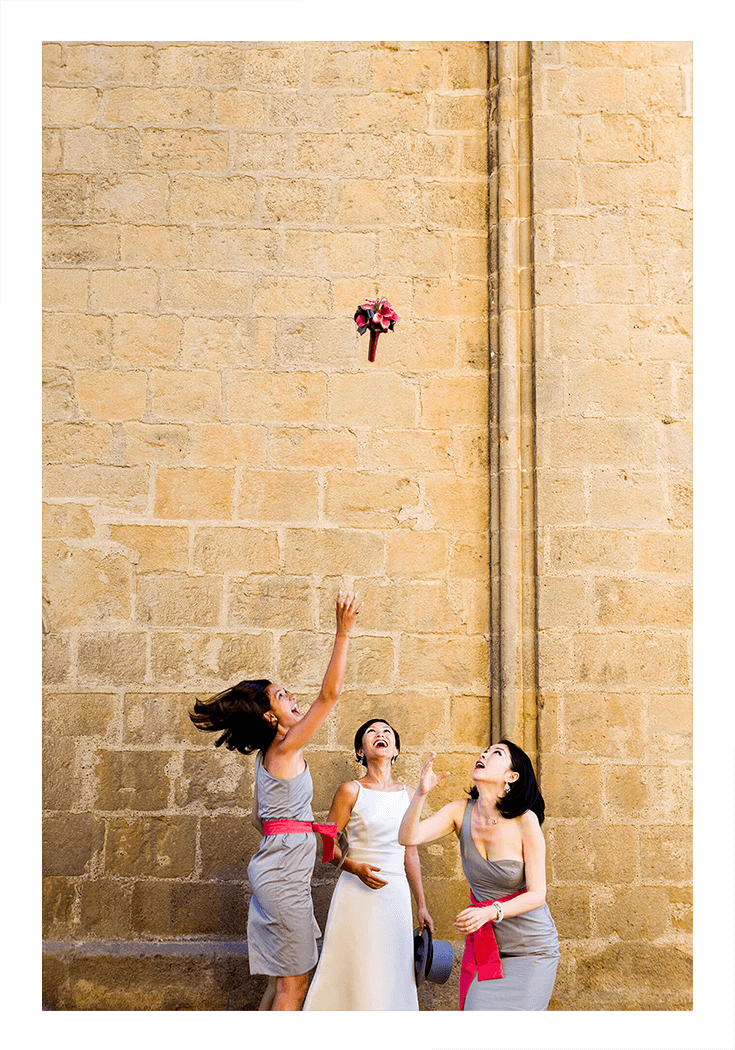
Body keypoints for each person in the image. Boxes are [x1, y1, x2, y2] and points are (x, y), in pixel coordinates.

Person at [189, 591, 363, 1012]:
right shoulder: (284, 750)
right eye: (283, 696)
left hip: (282, 878)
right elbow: (330, 696)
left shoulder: (277, 757)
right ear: (270, 717)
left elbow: (259, 821)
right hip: (283, 881)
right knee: (295, 985)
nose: (294, 699)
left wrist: (300, 835)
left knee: (280, 984)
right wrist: (343, 631)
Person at [398, 739, 559, 1010]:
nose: (484, 754)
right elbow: (407, 837)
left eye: (496, 753)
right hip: (489, 954)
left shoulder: (525, 820)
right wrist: (420, 794)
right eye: (485, 751)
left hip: (533, 951)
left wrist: (488, 912)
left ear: (511, 776)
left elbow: (537, 895)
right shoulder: (460, 811)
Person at [302, 718, 433, 1011]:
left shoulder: (410, 794)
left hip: (395, 894)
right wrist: (354, 868)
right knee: (354, 968)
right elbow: (325, 845)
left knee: (392, 971)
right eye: (371, 732)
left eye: (387, 731)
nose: (380, 734)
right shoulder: (349, 790)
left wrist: (421, 904)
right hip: (356, 892)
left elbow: (410, 853)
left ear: (395, 749)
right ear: (360, 751)